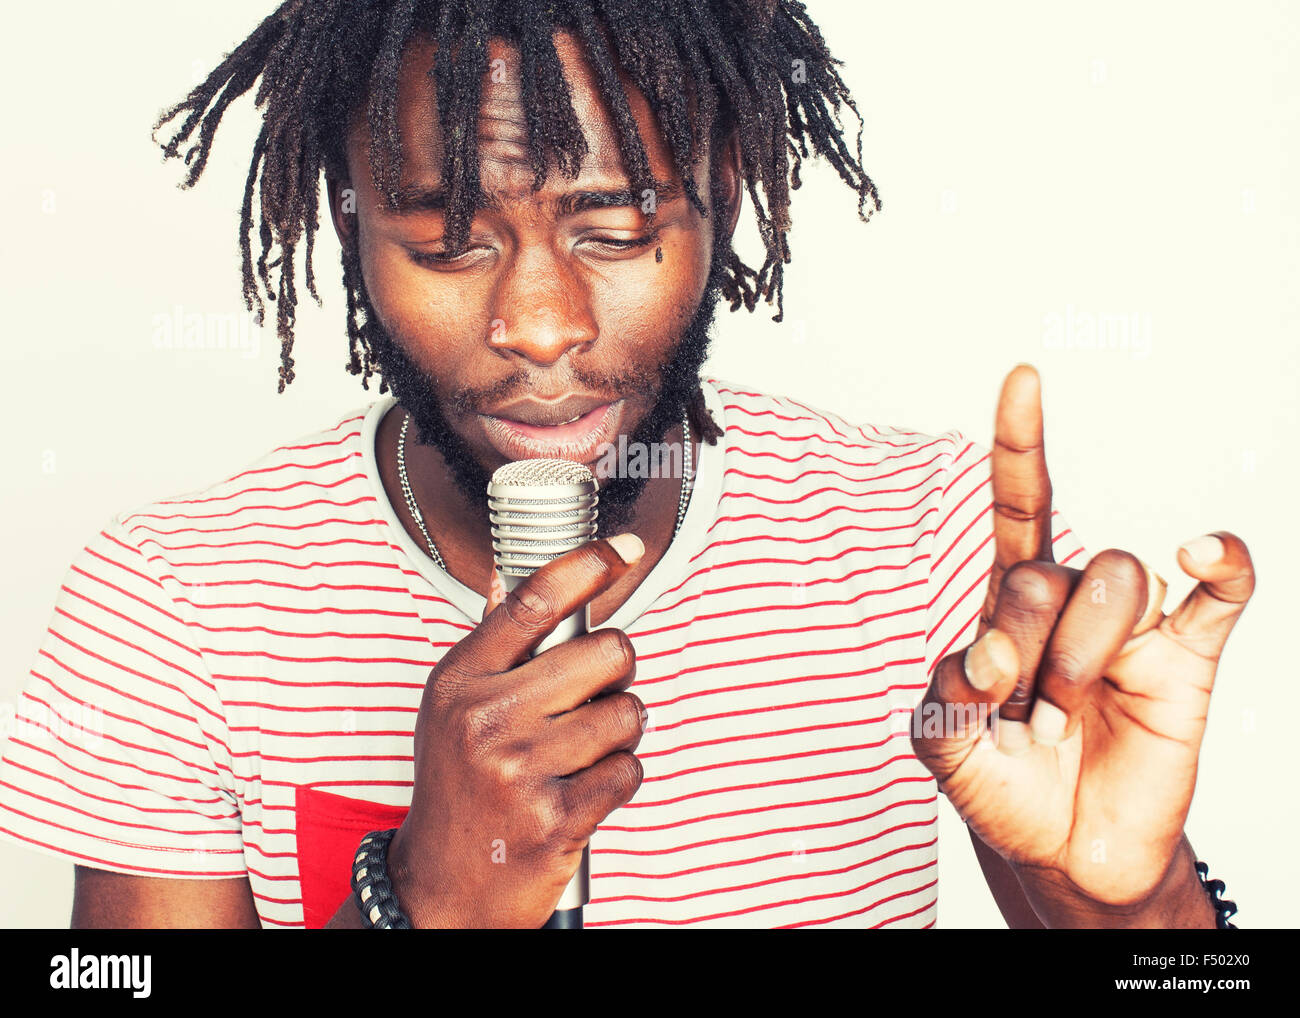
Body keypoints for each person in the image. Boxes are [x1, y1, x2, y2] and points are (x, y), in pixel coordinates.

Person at [0, 0, 1252, 929]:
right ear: (346, 221)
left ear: (726, 192)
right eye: (445, 245)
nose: (540, 324)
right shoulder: (168, 603)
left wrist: (1134, 908)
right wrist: (425, 901)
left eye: (616, 228)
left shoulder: (922, 542)